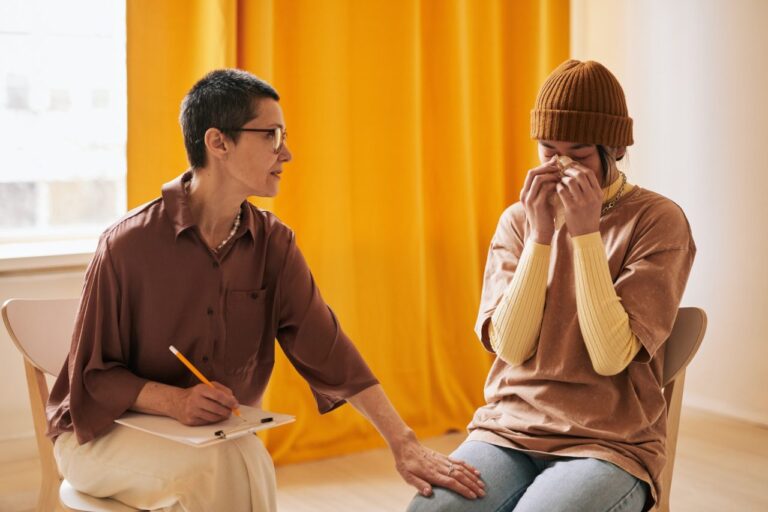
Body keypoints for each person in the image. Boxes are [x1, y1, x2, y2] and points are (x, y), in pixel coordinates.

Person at [47, 68, 485, 511]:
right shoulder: (127, 244)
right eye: (272, 136)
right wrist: (175, 401)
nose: (288, 153)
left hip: (207, 439)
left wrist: (402, 442)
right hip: (100, 435)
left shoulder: (275, 244)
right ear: (218, 143)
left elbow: (330, 351)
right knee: (216, 469)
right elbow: (93, 378)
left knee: (247, 457)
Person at [407, 59, 696, 512]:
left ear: (614, 149)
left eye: (579, 154)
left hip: (609, 442)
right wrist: (541, 236)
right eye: (547, 150)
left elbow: (609, 356)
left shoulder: (658, 221)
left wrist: (584, 235)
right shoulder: (519, 221)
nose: (561, 165)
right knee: (431, 510)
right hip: (507, 429)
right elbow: (511, 345)